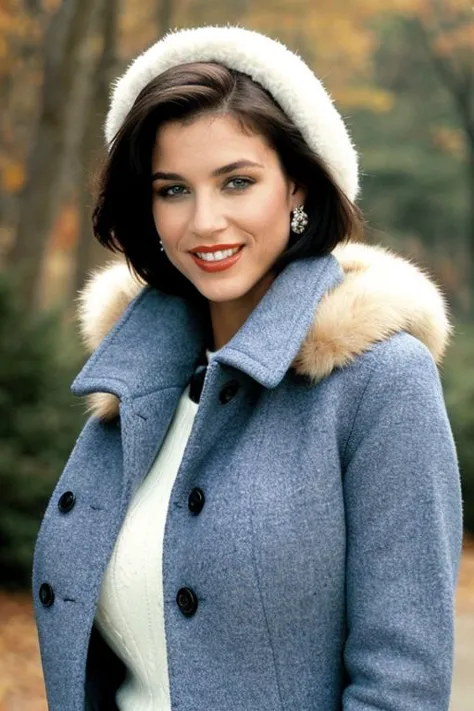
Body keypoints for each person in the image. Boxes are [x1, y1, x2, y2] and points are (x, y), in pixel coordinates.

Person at [32, 25, 463, 711]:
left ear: (298, 187)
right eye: (173, 189)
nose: (205, 221)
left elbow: (401, 685)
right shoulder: (132, 383)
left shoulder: (380, 381)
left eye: (237, 181)